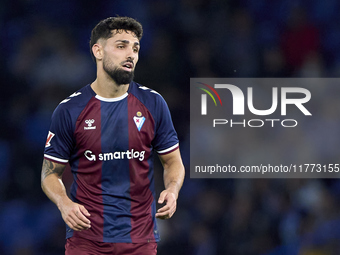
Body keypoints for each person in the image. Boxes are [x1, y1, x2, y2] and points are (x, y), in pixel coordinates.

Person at [41, 16, 185, 255]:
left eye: (135, 48)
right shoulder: (69, 110)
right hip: (86, 241)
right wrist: (64, 203)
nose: (131, 54)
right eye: (121, 46)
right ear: (98, 51)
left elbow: (173, 162)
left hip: (140, 240)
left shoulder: (153, 103)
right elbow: (49, 172)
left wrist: (172, 189)